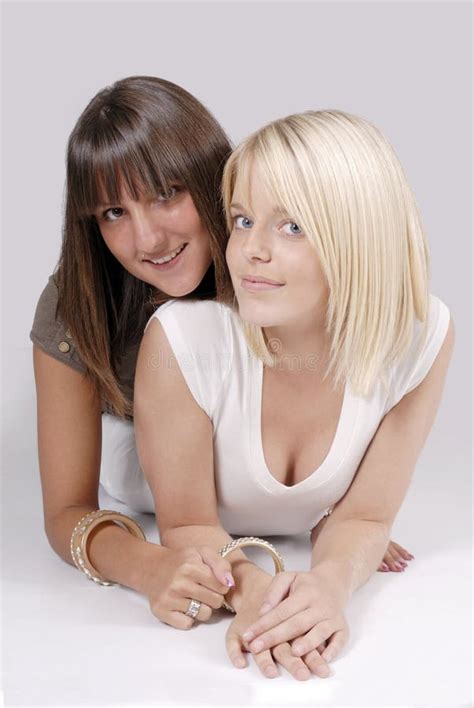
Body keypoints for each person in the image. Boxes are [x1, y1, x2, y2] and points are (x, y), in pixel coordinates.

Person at [133, 110, 455, 681]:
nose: (250, 250)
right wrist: (256, 598)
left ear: (361, 237)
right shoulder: (183, 339)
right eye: (241, 219)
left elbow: (366, 514)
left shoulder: (421, 338)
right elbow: (184, 525)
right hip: (134, 489)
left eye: (292, 227)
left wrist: (327, 588)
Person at [31, 75, 239, 619]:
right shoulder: (76, 302)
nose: (147, 240)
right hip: (149, 485)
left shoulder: (272, 259)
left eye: (166, 194)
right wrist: (151, 568)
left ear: (210, 175)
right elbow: (67, 510)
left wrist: (346, 513)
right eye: (113, 213)